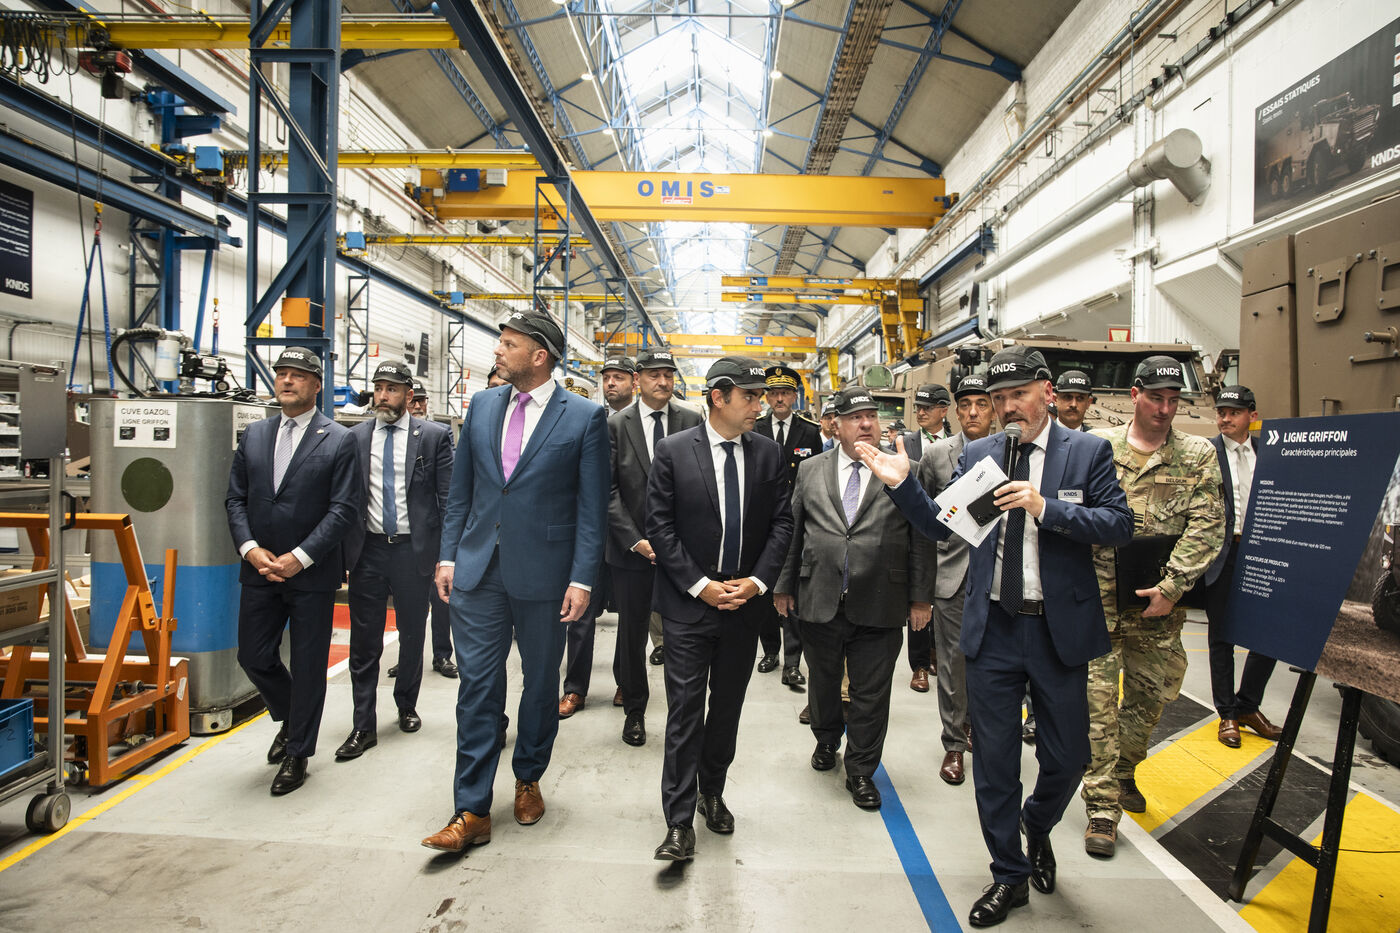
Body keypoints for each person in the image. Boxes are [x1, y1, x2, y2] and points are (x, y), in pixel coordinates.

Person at [854, 345, 1133, 928]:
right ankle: (1009, 872)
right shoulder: (984, 454)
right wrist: (904, 486)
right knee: (996, 763)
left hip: (1056, 631)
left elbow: (1118, 525)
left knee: (1069, 758)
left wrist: (1046, 507)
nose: (1008, 408)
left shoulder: (1087, 452)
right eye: (999, 398)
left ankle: (1037, 823)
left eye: (1018, 395)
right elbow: (943, 525)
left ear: (1046, 394)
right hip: (995, 629)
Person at [421, 309, 609, 853]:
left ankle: (528, 775)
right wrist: (449, 556)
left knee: (540, 682)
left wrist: (582, 579)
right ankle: (471, 809)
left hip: (546, 575)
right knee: (478, 686)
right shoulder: (482, 406)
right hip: (479, 568)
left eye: (508, 344)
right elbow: (462, 490)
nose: (497, 351)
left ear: (539, 356)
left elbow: (591, 509)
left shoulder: (584, 417)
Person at [645, 356, 794, 861]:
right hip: (689, 607)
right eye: (750, 397)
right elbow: (659, 526)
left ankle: (713, 791)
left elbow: (782, 523)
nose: (759, 406)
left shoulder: (768, 454)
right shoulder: (673, 451)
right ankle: (678, 821)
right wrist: (699, 585)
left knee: (726, 708)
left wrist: (756, 582)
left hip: (743, 607)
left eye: (760, 397)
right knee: (685, 712)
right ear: (718, 397)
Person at [1081, 355, 1224, 859]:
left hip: (1158, 609)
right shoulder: (1098, 448)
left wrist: (1172, 586)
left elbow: (1207, 525)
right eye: (1156, 398)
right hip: (1099, 601)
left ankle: (1124, 771)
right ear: (1136, 395)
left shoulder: (1197, 454)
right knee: (1097, 706)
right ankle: (1102, 807)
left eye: (1173, 400)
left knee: (1149, 702)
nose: (1165, 409)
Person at [774, 388, 932, 810]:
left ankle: (861, 770)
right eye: (855, 417)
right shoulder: (811, 469)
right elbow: (795, 529)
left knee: (872, 693)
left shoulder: (904, 469)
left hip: (882, 598)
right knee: (823, 683)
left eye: (871, 416)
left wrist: (921, 599)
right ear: (835, 425)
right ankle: (826, 739)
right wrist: (783, 586)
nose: (866, 424)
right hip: (819, 595)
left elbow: (922, 537)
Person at [225, 347, 363, 796]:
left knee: (307, 664)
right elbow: (235, 498)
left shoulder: (338, 439)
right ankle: (291, 718)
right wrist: (250, 549)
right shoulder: (255, 434)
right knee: (253, 655)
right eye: (281, 373)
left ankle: (298, 752)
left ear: (316, 385)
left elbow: (343, 509)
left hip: (311, 573)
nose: (286, 380)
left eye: (298, 375)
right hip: (259, 569)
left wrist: (299, 557)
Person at [337, 361, 453, 761]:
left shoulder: (432, 437)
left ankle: (406, 704)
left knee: (411, 633)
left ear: (408, 395)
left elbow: (447, 500)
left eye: (392, 389)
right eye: (379, 388)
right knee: (364, 640)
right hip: (368, 550)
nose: (383, 396)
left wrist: (446, 556)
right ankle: (363, 724)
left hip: (412, 550)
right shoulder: (355, 438)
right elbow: (344, 498)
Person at [599, 347, 703, 746]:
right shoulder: (616, 425)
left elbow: (702, 482)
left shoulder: (691, 420)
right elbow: (609, 490)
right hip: (632, 552)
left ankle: (683, 715)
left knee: (683, 634)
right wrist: (635, 540)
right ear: (638, 379)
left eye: (668, 375)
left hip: (682, 551)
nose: (663, 382)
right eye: (654, 375)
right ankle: (635, 711)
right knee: (632, 633)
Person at [914, 373, 996, 784]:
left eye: (981, 404)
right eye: (965, 405)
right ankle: (954, 743)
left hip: (1001, 576)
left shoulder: (1013, 451)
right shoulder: (936, 455)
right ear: (955, 412)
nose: (973, 412)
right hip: (953, 574)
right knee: (951, 664)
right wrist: (922, 587)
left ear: (994, 408)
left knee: (994, 662)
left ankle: (982, 730)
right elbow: (923, 521)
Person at [558, 355, 637, 721]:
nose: (611, 384)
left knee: (630, 619)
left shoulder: (641, 425)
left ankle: (626, 682)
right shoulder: (590, 419)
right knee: (580, 614)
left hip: (627, 537)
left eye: (618, 377)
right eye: (607, 378)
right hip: (587, 535)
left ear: (634, 382)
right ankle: (575, 687)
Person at [1204, 386, 1282, 748]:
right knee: (1222, 636)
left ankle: (1248, 705)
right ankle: (1228, 715)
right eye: (1221, 412)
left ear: (1252, 416)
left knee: (1270, 633)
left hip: (1262, 553)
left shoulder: (1270, 453)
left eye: (1233, 412)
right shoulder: (1207, 452)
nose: (1225, 418)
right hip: (1225, 553)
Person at [753, 365, 821, 686]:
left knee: (793, 588)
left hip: (797, 521)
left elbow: (817, 476)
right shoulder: (755, 428)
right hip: (762, 521)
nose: (779, 399)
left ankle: (793, 662)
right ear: (766, 397)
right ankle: (770, 651)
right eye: (774, 393)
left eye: (785, 393)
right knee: (764, 588)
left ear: (795, 396)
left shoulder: (809, 431)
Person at [393, 378, 457, 680]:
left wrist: (446, 544)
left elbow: (446, 489)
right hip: (403, 536)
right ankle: (408, 658)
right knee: (407, 605)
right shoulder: (391, 436)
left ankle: (442, 654)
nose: (418, 405)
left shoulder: (437, 435)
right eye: (413, 400)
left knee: (439, 599)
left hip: (431, 534)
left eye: (422, 400)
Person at [901, 383, 953, 692]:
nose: (920, 412)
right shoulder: (904, 444)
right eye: (918, 407)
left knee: (945, 598)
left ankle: (937, 653)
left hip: (950, 535)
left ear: (944, 411)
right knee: (918, 597)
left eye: (928, 408)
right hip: (916, 532)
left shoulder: (957, 444)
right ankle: (919, 664)